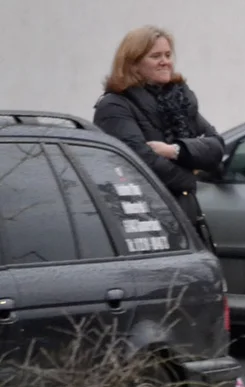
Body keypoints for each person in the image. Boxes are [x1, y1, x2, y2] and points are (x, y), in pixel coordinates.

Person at [93, 25, 223, 248]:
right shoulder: (115, 106)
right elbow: (142, 164)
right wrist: (191, 175)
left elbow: (216, 148)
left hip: (187, 218)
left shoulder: (181, 101)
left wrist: (175, 151)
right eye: (155, 56)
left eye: (167, 55)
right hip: (146, 225)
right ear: (133, 63)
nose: (165, 61)